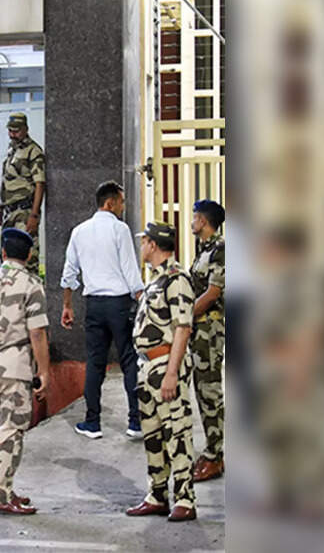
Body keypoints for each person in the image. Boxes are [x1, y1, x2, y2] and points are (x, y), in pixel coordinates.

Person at [125, 221, 198, 523]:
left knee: (176, 432)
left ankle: (185, 499)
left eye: (144, 241)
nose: (141, 246)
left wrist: (171, 373)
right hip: (147, 367)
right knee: (153, 435)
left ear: (153, 245)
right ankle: (157, 495)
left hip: (166, 364)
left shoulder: (176, 279)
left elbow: (183, 328)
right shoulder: (156, 279)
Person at [60, 181, 144, 440]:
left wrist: (66, 305)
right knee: (129, 360)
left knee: (95, 363)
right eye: (121, 202)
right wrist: (141, 297)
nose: (123, 206)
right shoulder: (120, 229)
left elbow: (69, 273)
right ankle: (135, 422)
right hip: (119, 304)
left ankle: (92, 422)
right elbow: (130, 268)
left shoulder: (79, 231)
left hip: (94, 305)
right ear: (110, 203)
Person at [0, 229, 50, 515]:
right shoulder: (32, 285)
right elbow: (37, 333)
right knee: (13, 428)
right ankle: (1, 495)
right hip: (17, 365)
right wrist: (44, 371)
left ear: (3, 252)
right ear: (28, 255)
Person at [187, 200, 226, 483]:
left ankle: (216, 455)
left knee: (210, 391)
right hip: (200, 329)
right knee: (202, 390)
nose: (191, 222)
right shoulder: (205, 248)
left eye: (194, 217)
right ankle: (212, 450)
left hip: (209, 329)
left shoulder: (220, 249)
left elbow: (212, 293)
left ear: (202, 220)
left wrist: (183, 318)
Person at [0, 113, 46, 275]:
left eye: (16, 131)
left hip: (25, 212)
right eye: (10, 131)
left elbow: (40, 184)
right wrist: (1, 208)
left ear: (25, 129)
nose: (12, 134)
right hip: (9, 212)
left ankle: (30, 289)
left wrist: (34, 215)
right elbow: (6, 181)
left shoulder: (34, 151)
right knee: (6, 260)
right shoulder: (12, 149)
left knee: (27, 260)